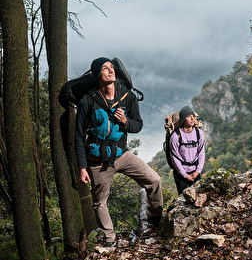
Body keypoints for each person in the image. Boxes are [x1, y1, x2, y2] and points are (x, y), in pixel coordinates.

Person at [75, 57, 163, 246]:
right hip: (97, 160)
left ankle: (154, 220)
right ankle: (109, 239)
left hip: (122, 155)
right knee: (100, 202)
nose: (110, 70)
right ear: (98, 74)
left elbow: (138, 125)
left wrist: (125, 122)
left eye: (112, 67)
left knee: (154, 180)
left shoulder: (127, 96)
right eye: (105, 68)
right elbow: (78, 137)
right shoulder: (87, 101)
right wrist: (82, 167)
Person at [169, 106, 205, 194]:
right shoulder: (175, 136)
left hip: (195, 171)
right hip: (181, 174)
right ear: (182, 120)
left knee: (198, 196)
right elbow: (175, 158)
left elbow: (201, 153)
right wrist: (185, 175)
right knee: (183, 199)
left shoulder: (198, 133)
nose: (192, 118)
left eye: (192, 116)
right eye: (188, 116)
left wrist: (198, 171)